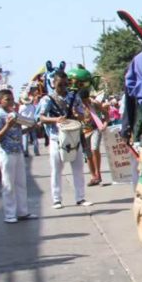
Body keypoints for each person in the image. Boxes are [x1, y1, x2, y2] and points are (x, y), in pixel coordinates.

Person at [37, 71, 90, 210]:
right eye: (60, 85)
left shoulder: (74, 96)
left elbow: (82, 115)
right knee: (56, 169)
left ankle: (80, 197)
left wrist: (78, 114)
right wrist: (55, 119)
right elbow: (41, 118)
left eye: (66, 84)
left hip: (74, 136)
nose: (63, 87)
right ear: (53, 84)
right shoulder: (47, 99)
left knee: (78, 168)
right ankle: (56, 199)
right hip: (56, 138)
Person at [0, 89, 35, 223]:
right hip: (6, 152)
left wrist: (29, 128)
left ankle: (23, 211)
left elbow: (17, 133)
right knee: (8, 184)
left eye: (12, 99)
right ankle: (9, 214)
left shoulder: (13, 114)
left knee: (21, 183)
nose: (11, 102)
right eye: (7, 99)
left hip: (18, 150)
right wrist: (8, 126)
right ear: (0, 101)